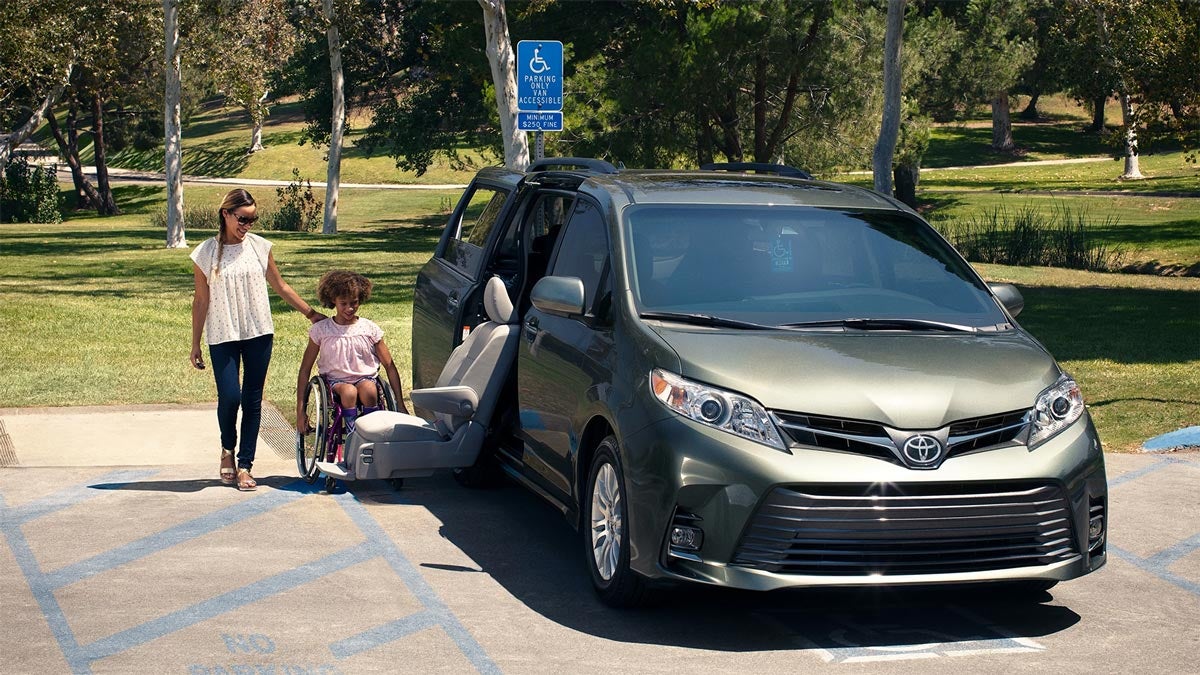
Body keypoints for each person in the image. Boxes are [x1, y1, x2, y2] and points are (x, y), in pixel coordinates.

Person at [190, 188, 324, 491]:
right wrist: (195, 343)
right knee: (230, 397)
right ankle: (227, 449)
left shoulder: (260, 247)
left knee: (252, 400)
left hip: (259, 332)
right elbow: (201, 300)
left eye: (253, 220)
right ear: (226, 214)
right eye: (243, 219)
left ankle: (245, 465)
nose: (247, 225)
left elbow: (280, 285)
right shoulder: (205, 252)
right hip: (222, 334)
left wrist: (311, 313)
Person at [296, 270, 408, 452]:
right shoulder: (322, 330)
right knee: (349, 392)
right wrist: (300, 410)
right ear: (333, 300)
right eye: (344, 304)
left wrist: (400, 404)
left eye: (354, 303)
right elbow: (305, 369)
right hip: (335, 382)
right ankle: (353, 437)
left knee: (370, 389)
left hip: (365, 378)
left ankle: (371, 434)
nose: (349, 308)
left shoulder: (369, 329)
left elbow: (389, 365)